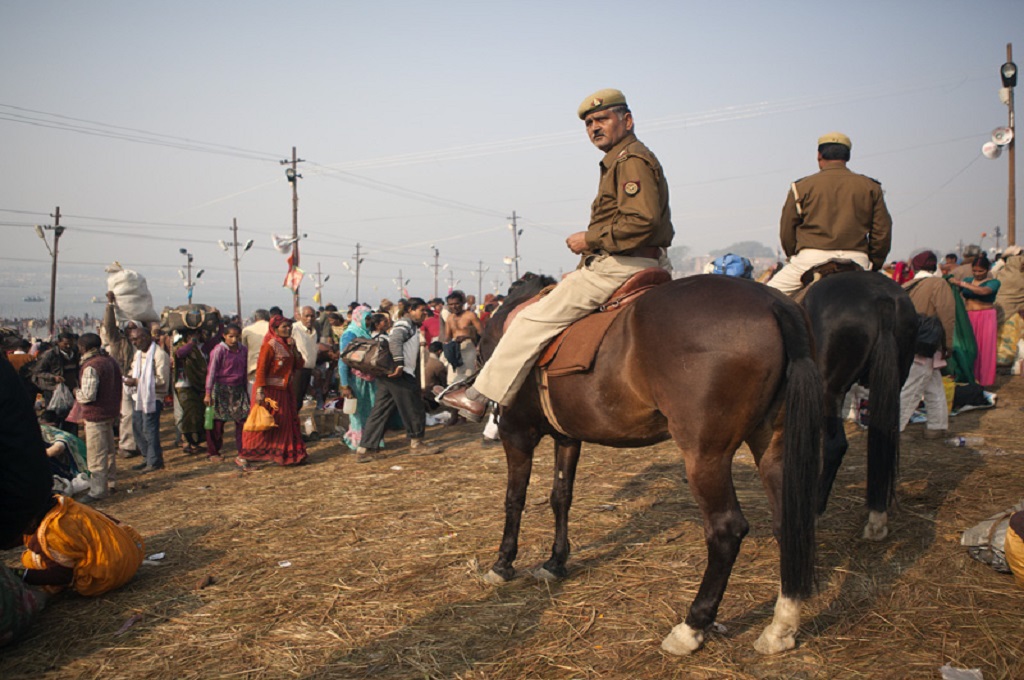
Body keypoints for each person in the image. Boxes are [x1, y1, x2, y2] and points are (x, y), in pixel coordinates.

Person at [441, 88, 673, 420]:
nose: (595, 127)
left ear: (627, 120)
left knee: (529, 320)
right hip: (639, 259)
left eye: (603, 119)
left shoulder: (630, 160)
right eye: (589, 122)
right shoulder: (623, 159)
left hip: (621, 264)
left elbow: (642, 220)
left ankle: (479, 395)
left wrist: (589, 240)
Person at [766, 132, 892, 294]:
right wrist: (875, 263)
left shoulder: (801, 187)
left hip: (810, 259)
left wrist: (793, 255)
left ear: (819, 156)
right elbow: (882, 231)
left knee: (765, 297)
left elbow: (787, 231)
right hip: (857, 258)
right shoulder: (871, 187)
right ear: (847, 156)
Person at [355, 298, 442, 462]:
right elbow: (395, 340)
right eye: (421, 310)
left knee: (381, 411)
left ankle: (365, 449)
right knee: (414, 407)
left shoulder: (410, 326)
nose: (425, 313)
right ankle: (417, 444)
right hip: (400, 374)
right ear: (410, 310)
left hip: (391, 375)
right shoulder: (405, 324)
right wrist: (400, 364)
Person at [20, 494, 144, 596]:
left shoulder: (50, 531)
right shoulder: (68, 505)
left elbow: (62, 575)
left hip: (106, 576)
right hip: (133, 554)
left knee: (32, 558)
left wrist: (20, 575)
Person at [238, 315, 307, 468]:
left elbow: (299, 364)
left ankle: (283, 453)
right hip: (269, 391)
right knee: (264, 422)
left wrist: (294, 349)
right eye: (284, 327)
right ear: (275, 329)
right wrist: (260, 391)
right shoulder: (270, 345)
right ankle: (246, 454)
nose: (288, 329)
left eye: (289, 326)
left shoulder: (287, 344)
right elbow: (261, 368)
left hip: (284, 390)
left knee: (284, 422)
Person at [899, 251, 956, 438]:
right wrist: (948, 344)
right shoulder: (938, 284)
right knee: (913, 387)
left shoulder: (907, 286)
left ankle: (937, 426)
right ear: (934, 266)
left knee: (933, 384)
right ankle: (895, 428)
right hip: (926, 344)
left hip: (910, 342)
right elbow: (946, 315)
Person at [70, 333, 122, 501]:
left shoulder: (92, 366)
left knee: (96, 455)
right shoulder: (110, 361)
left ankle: (98, 490)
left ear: (84, 348)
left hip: (95, 415)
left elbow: (88, 395)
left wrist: (76, 393)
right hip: (110, 412)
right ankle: (111, 482)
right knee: (108, 452)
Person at [338, 308, 391, 451]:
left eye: (369, 319)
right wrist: (345, 385)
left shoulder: (367, 334)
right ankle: (357, 442)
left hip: (370, 379)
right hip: (356, 380)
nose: (369, 322)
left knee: (372, 410)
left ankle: (372, 440)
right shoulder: (349, 334)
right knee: (357, 412)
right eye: (366, 319)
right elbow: (343, 360)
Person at [125, 327, 170, 473]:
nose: (134, 343)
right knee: (137, 427)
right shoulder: (138, 354)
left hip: (153, 397)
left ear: (145, 337)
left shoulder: (159, 355)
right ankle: (146, 457)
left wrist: (137, 381)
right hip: (138, 396)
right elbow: (133, 370)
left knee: (149, 429)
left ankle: (154, 461)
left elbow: (161, 380)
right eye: (132, 340)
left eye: (136, 339)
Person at [99, 292, 139, 459]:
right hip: (122, 379)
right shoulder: (118, 340)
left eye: (133, 327)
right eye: (128, 328)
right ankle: (127, 445)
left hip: (138, 381)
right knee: (127, 413)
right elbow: (109, 326)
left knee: (138, 414)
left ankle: (137, 443)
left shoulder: (143, 343)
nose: (130, 331)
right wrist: (110, 305)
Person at [204, 323, 249, 462]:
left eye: (236, 336)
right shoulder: (219, 350)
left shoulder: (243, 350)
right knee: (217, 422)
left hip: (238, 388)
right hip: (221, 388)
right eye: (231, 337)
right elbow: (211, 372)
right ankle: (213, 452)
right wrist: (208, 392)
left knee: (242, 420)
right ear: (224, 336)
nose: (234, 340)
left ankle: (243, 450)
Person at [956, 254, 1001, 386]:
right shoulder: (968, 280)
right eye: (975, 271)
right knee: (969, 346)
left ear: (987, 270)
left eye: (981, 271)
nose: (977, 274)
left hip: (986, 316)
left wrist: (962, 284)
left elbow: (983, 292)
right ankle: (969, 377)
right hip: (969, 316)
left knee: (984, 347)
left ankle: (984, 380)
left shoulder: (993, 282)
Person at [31, 332, 81, 433]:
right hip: (53, 390)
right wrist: (53, 377)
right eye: (65, 343)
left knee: (72, 418)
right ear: (58, 343)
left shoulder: (75, 353)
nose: (68, 346)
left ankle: (71, 440)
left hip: (72, 390)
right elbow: (37, 371)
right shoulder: (50, 354)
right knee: (55, 417)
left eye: (71, 343)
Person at [173, 330, 208, 455]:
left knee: (197, 413)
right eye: (193, 335)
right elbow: (180, 354)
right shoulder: (180, 345)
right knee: (189, 414)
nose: (196, 337)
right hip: (184, 385)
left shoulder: (200, 348)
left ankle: (194, 441)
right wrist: (192, 342)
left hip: (197, 384)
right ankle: (187, 442)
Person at [442, 289, 484, 383]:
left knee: (468, 376)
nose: (454, 306)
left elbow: (482, 333)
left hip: (469, 348)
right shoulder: (449, 318)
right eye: (451, 304)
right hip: (455, 348)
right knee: (453, 378)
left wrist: (469, 338)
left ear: (462, 303)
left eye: (456, 304)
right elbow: (447, 336)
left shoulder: (470, 315)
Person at [291, 306, 320, 413]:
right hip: (296, 370)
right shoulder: (294, 328)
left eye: (312, 316)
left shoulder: (314, 331)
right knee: (294, 401)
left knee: (299, 402)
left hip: (307, 370)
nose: (309, 319)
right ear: (300, 316)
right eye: (306, 316)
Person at [241, 309, 271, 389]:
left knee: (254, 394)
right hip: (271, 366)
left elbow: (244, 349)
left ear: (255, 318)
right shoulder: (273, 329)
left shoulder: (247, 330)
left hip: (253, 367)